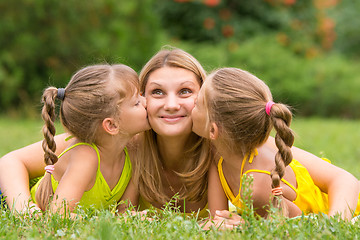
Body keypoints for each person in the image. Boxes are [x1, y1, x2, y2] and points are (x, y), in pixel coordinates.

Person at [191, 67, 360, 222]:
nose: (191, 105)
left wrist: (248, 226)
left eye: (197, 103)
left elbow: (297, 226)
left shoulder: (258, 186)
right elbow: (218, 219)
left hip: (347, 208)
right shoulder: (218, 155)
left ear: (213, 131)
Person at [0, 64, 150, 214]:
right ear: (111, 125)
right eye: (137, 102)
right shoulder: (86, 156)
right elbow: (57, 217)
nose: (146, 102)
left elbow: (124, 213)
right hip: (7, 200)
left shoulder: (133, 151)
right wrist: (24, 209)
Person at [130, 47, 215, 218]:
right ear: (141, 98)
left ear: (205, 96)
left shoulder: (223, 149)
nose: (171, 105)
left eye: (185, 91)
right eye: (157, 92)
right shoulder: (128, 148)